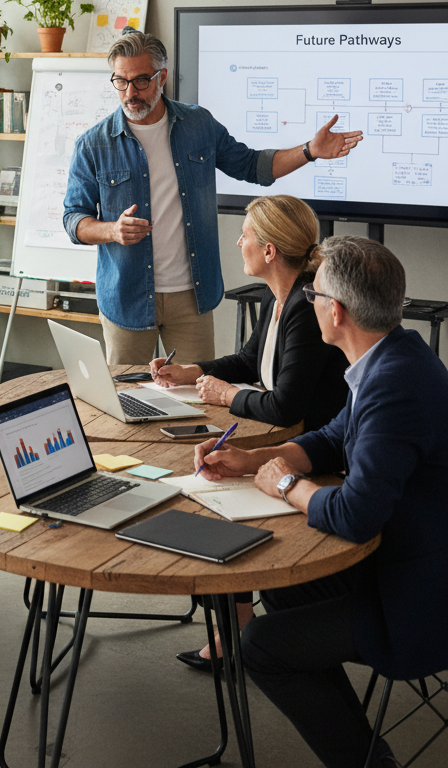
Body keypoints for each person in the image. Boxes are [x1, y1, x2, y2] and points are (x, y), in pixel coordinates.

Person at [194, 236, 448, 768]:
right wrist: (250, 458)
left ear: (336, 310)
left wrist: (286, 486)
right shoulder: (390, 352)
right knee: (282, 585)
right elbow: (333, 437)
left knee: (261, 645)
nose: (309, 300)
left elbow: (356, 516)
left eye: (314, 292)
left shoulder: (395, 383)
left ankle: (368, 763)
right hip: (401, 559)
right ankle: (359, 748)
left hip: (419, 596)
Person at [62, 30, 363, 365]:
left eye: (141, 80)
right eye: (121, 81)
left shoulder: (198, 125)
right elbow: (74, 218)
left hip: (192, 297)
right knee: (126, 403)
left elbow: (253, 166)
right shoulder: (93, 144)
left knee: (195, 400)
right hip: (126, 298)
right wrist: (111, 231)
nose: (130, 92)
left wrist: (310, 151)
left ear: (162, 77)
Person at [150, 194, 349, 671]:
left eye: (245, 235)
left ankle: (235, 628)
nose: (237, 242)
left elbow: (285, 402)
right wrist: (192, 371)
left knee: (218, 497)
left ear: (270, 251)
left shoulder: (304, 304)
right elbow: (248, 361)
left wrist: (223, 396)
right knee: (215, 482)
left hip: (321, 458)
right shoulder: (279, 297)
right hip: (299, 443)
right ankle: (235, 622)